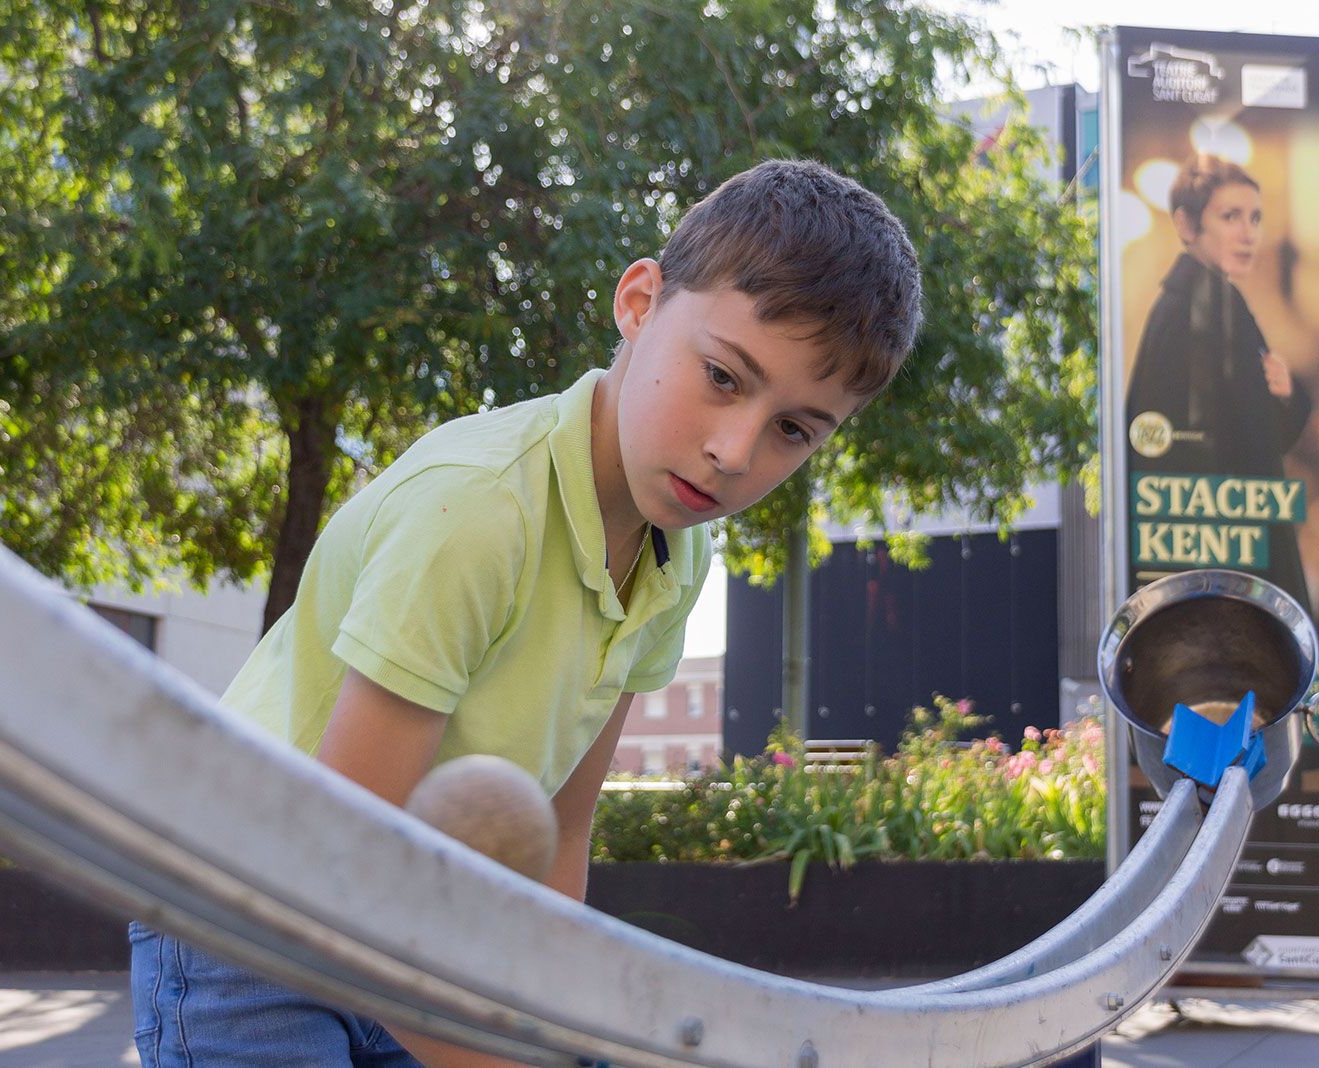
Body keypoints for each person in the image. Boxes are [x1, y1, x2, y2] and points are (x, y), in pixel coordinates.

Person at [129, 158, 923, 1066]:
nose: (732, 452)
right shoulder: (477, 511)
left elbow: (562, 825)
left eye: (794, 429)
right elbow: (345, 869)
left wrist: (550, 1014)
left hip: (415, 920)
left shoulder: (681, 548)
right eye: (722, 375)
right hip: (248, 905)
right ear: (638, 303)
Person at [1125, 153, 1312, 606]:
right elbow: (1252, 438)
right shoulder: (1209, 305)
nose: (1248, 233)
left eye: (1255, 217)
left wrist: (1285, 393)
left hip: (1208, 548)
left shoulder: (1184, 303)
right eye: (1230, 216)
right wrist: (1292, 399)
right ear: (1187, 225)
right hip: (1231, 555)